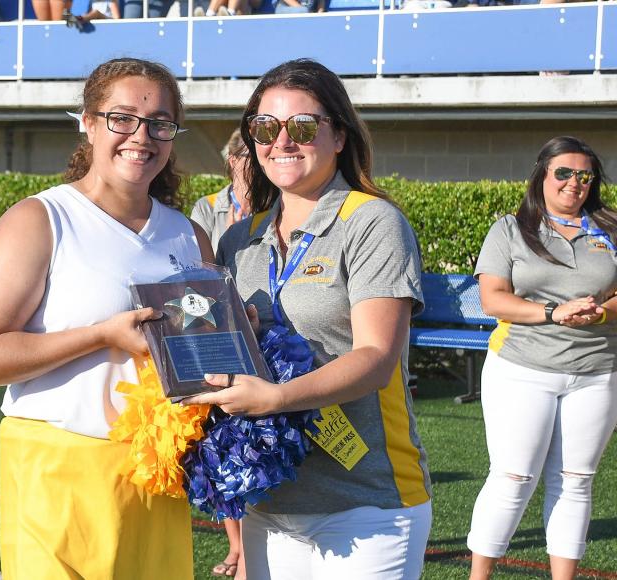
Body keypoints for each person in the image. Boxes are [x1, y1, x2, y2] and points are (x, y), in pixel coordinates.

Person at [0, 57, 213, 580]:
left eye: (160, 123)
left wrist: (235, 336)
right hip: (56, 474)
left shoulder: (190, 236)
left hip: (155, 475)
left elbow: (197, 356)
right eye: (121, 118)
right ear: (88, 123)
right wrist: (102, 336)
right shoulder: (40, 219)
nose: (141, 136)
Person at [184, 58, 432, 580]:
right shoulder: (237, 238)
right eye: (264, 128)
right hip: (268, 501)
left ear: (338, 135)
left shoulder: (371, 222)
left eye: (302, 126)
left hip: (367, 500)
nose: (282, 141)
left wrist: (274, 398)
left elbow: (376, 359)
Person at [467, 136, 617, 580]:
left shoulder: (611, 229)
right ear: (542, 176)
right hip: (521, 371)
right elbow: (493, 300)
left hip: (597, 373)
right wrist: (554, 312)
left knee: (576, 481)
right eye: (564, 173)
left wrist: (599, 313)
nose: (575, 183)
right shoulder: (510, 229)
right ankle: (480, 576)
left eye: (585, 175)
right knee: (513, 479)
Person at [188, 127, 249, 580]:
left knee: (256, 445)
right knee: (224, 447)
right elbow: (199, 272)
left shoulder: (276, 206)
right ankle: (236, 546)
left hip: (259, 328)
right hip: (217, 329)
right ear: (230, 159)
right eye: (241, 153)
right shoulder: (208, 209)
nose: (247, 160)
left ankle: (251, 549)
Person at [191, 128, 251, 252]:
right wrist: (230, 242)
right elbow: (198, 263)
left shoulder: (276, 207)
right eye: (252, 155)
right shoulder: (206, 207)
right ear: (233, 161)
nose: (260, 162)